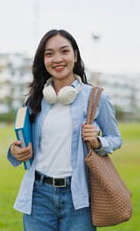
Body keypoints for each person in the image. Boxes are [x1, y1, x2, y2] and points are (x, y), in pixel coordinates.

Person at [7, 29, 122, 231]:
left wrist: (98, 142)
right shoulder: (35, 98)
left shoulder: (96, 97)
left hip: (79, 195)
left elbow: (116, 138)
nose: (57, 59)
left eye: (64, 52)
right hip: (38, 195)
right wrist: (15, 151)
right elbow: (24, 141)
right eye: (49, 54)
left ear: (75, 56)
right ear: (43, 60)